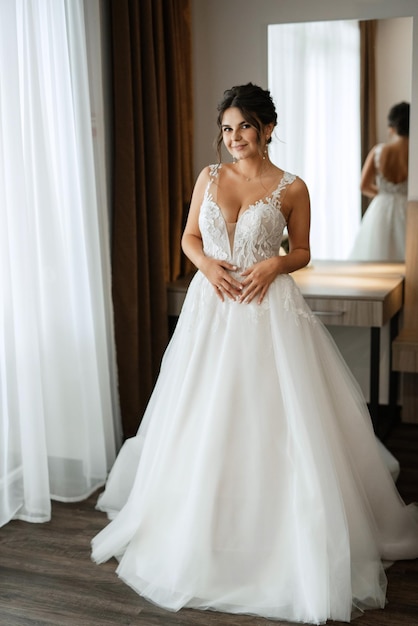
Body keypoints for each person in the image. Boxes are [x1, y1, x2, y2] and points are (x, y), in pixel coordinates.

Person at [91, 84, 418, 624]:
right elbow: (189, 236)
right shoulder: (209, 177)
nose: (234, 137)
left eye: (244, 126)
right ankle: (199, 524)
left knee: (273, 417)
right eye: (226, 128)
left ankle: (277, 531)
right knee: (202, 411)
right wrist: (207, 266)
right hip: (211, 306)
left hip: (268, 308)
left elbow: (305, 251)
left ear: (266, 127)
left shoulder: (293, 187)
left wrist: (274, 264)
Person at [349, 101, 410, 261]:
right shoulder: (414, 153)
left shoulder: (379, 151)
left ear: (392, 127)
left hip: (381, 207)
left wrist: (384, 194)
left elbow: (364, 186)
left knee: (376, 255)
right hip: (409, 209)